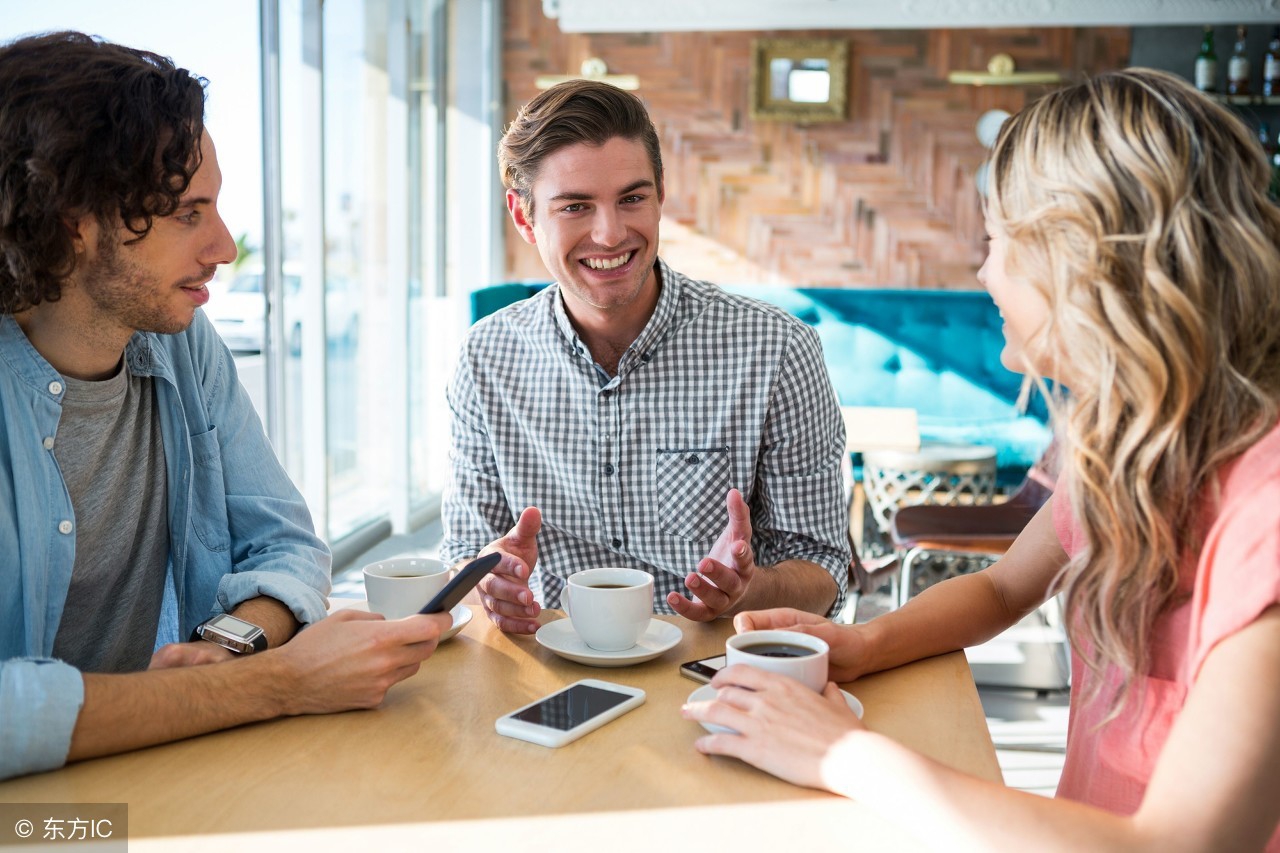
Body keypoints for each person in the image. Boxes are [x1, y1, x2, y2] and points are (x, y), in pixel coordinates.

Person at [683, 68, 1280, 850]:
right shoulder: (1122, 437)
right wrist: (865, 642)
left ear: (1084, 260)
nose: (984, 273)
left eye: (996, 242)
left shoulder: (1263, 504)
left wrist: (838, 750)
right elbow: (1003, 587)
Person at [0, 31, 450, 782]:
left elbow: (286, 543)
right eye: (188, 213)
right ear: (75, 220)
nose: (225, 246)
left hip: (154, 771)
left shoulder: (181, 340)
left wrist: (230, 645)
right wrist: (271, 683)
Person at [441, 80, 851, 633]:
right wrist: (488, 581)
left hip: (713, 667)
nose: (610, 234)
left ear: (660, 194)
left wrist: (748, 590)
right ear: (524, 217)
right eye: (575, 207)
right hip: (546, 668)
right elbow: (465, 555)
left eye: (632, 198)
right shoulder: (485, 359)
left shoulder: (776, 350)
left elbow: (823, 566)